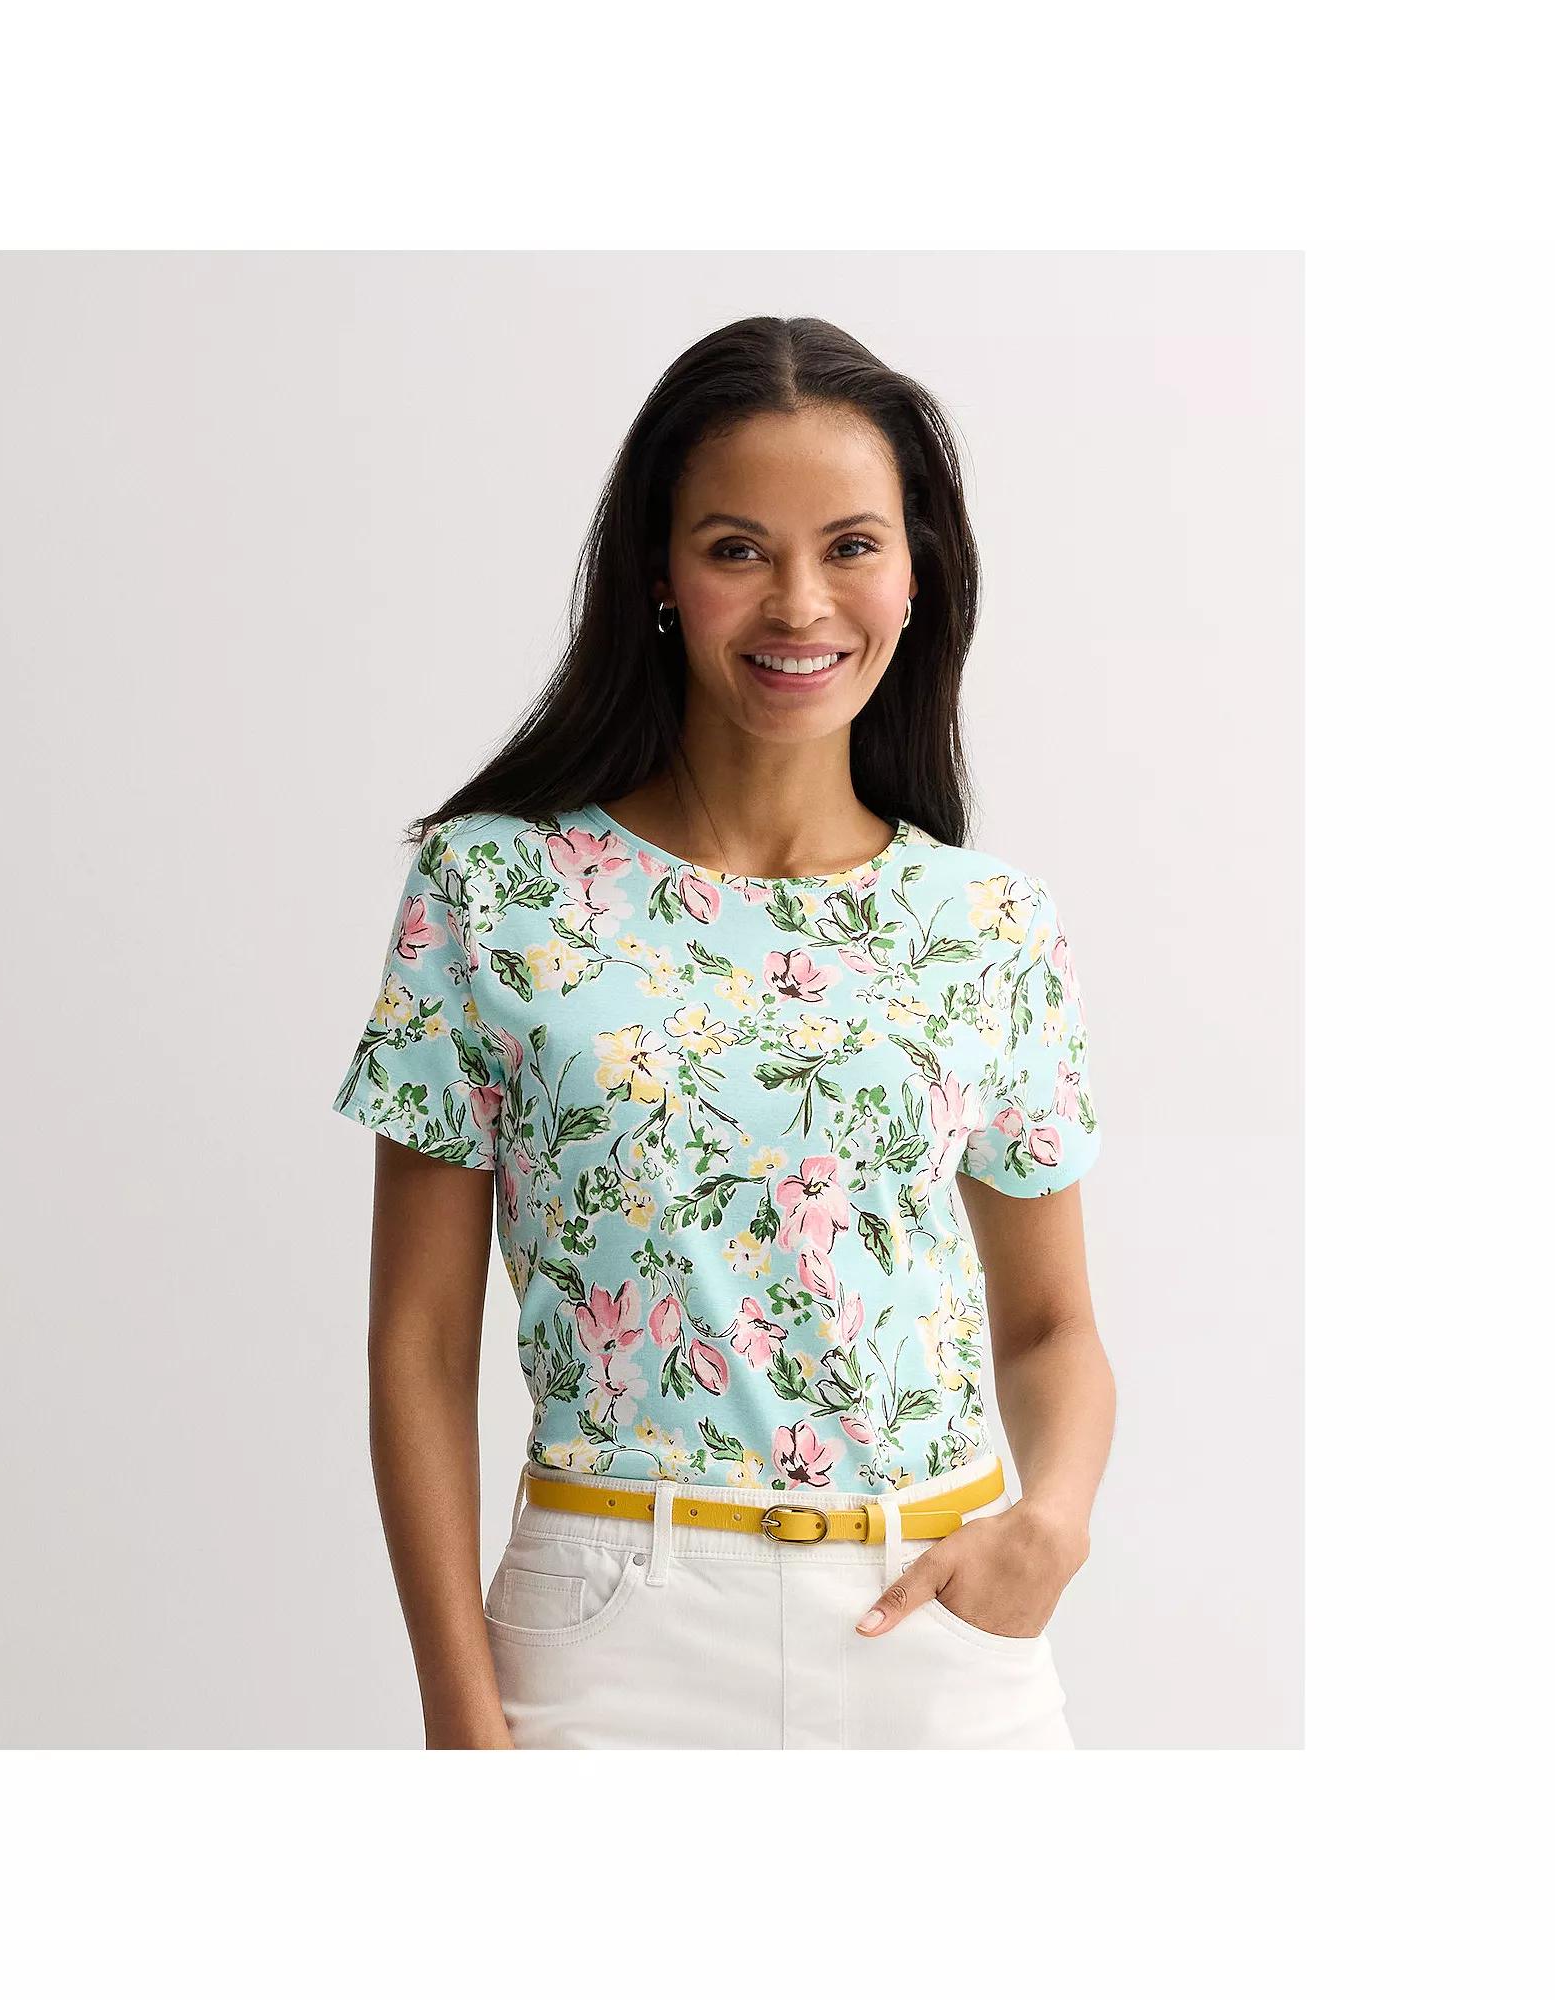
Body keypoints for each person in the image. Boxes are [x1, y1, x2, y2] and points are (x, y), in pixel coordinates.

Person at [330, 315, 1114, 1750]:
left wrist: (1049, 1524)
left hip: (939, 1635)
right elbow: (419, 1342)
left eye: (852, 546)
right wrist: (459, 1713)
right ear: (659, 574)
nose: (800, 604)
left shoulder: (988, 924)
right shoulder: (492, 890)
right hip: (611, 1637)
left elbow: (1053, 1325)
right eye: (739, 549)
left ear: (920, 572)